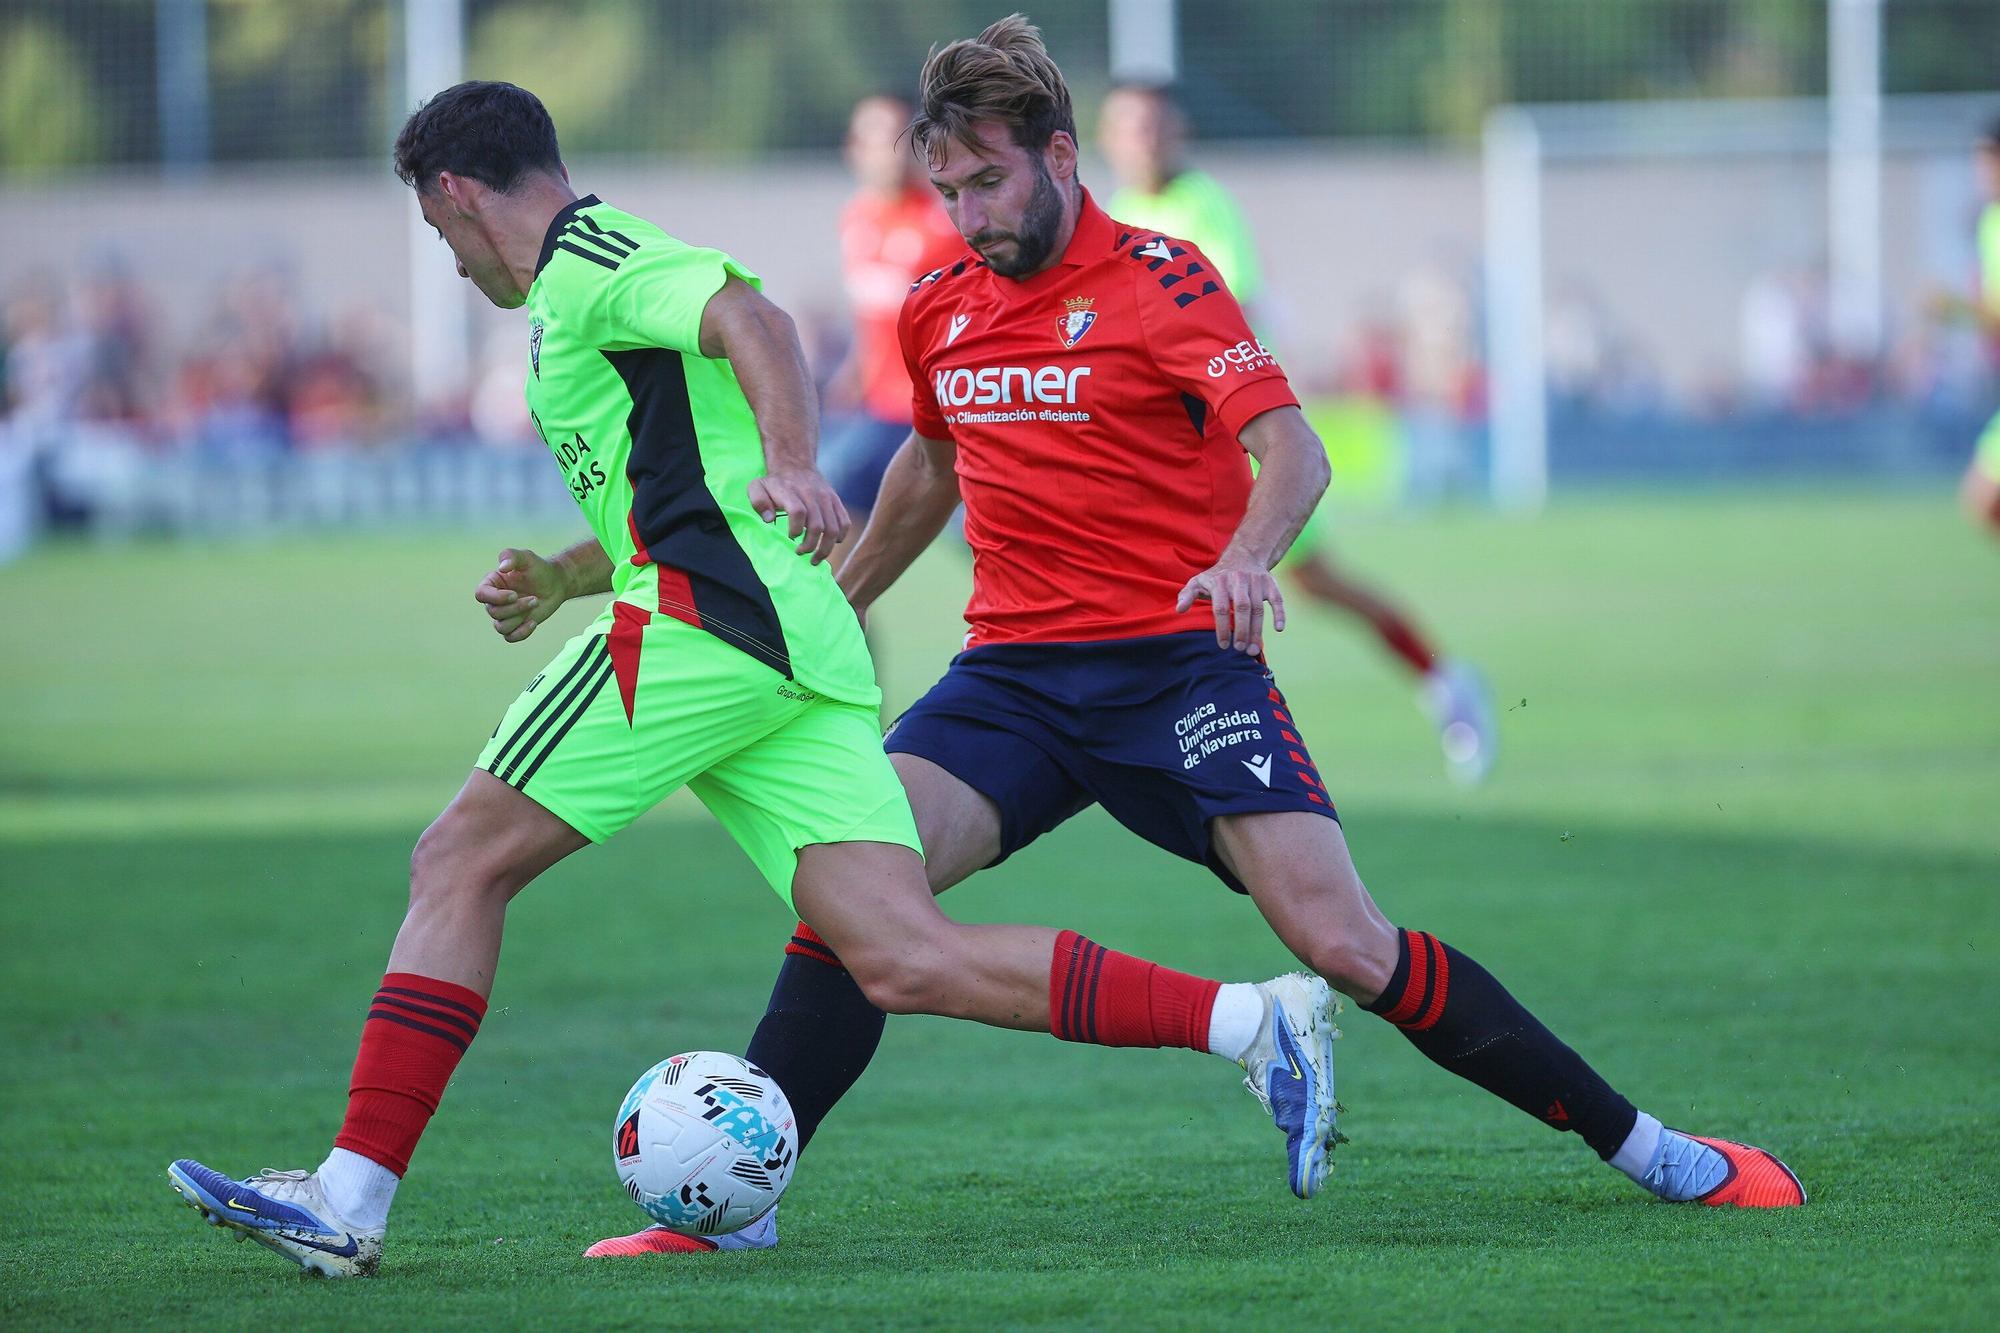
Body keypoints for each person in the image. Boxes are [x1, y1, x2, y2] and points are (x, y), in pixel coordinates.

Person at [589, 16, 1804, 1259]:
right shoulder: (939, 305)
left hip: (1178, 674)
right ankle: (734, 1204)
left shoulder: (1162, 281)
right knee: (859, 899)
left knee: (1344, 944)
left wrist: (1244, 556)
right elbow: (928, 467)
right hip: (1009, 682)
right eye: (948, 191)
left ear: (1061, 155)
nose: (968, 215)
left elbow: (1294, 450)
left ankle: (1657, 1151)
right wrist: (835, 600)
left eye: (989, 182)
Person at [164, 79, 1347, 1278]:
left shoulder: (590, 259)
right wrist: (567, 574)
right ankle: (1252, 1021)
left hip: (694, 630)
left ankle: (349, 1196)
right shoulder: (581, 290)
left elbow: (754, 319)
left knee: (457, 859)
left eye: (439, 232)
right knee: (899, 955)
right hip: (791, 640)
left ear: (459, 195)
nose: (454, 261)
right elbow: (681, 484)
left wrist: (795, 462)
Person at [1100, 80, 1497, 784]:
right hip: (1171, 442)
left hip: (1238, 435)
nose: (1145, 139)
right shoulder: (1116, 214)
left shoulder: (1204, 207)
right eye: (1130, 126)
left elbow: (1226, 312)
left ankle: (1440, 680)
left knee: (1305, 581)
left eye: (1155, 124)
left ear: (1180, 130)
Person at [822, 93, 965, 565]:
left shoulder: (947, 221)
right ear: (853, 147)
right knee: (833, 519)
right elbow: (874, 316)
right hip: (882, 411)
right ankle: (841, 619)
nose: (892, 149)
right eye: (879, 136)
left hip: (942, 412)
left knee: (985, 538)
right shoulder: (856, 218)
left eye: (902, 136)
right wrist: (854, 375)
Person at [1944, 117, 2000, 534]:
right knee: (1983, 503)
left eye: (1989, 159)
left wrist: (1955, 309)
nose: (1982, 171)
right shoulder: (1990, 223)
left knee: (1982, 498)